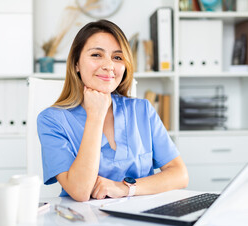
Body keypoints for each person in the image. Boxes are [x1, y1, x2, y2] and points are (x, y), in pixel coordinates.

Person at [37, 19, 189, 202]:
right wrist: (95, 115)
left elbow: (180, 174)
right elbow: (80, 191)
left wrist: (124, 188)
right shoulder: (51, 120)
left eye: (117, 57)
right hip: (84, 222)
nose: (109, 65)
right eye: (96, 55)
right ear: (76, 64)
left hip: (142, 219)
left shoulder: (142, 110)